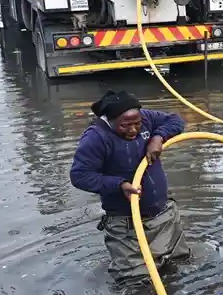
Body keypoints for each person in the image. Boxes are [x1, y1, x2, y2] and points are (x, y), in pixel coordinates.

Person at [69, 90, 189, 283]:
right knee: (135, 282)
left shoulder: (147, 118)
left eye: (137, 124)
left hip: (163, 215)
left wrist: (158, 137)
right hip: (126, 224)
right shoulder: (96, 138)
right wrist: (119, 184)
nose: (133, 130)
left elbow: (175, 120)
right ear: (110, 120)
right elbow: (79, 176)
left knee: (177, 266)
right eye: (125, 126)